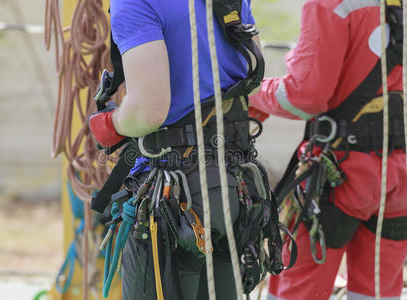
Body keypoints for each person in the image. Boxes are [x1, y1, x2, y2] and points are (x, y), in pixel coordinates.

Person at [88, 0, 287, 299]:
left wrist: (113, 121)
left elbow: (149, 109)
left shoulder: (134, 2)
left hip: (175, 198)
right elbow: (252, 77)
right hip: (235, 187)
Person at [249, 0, 407, 299]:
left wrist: (253, 94)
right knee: (378, 290)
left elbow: (305, 96)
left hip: (339, 175)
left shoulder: (327, 4)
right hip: (394, 169)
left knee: (296, 285)